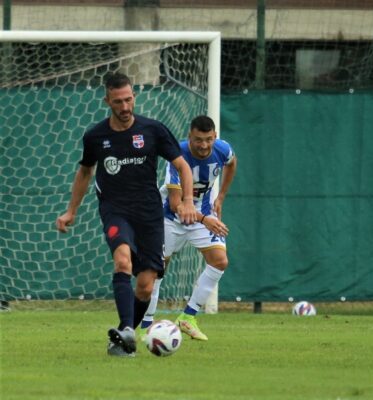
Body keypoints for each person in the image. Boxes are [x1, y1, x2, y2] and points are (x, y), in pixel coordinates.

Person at [56, 72, 197, 357]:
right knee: (121, 261)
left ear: (135, 97)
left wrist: (188, 201)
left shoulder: (153, 130)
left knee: (145, 287)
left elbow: (182, 165)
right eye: (118, 101)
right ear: (107, 101)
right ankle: (127, 328)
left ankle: (123, 339)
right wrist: (71, 211)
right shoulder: (95, 136)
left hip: (149, 215)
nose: (125, 107)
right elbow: (85, 172)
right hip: (115, 210)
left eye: (129, 99)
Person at [140, 115, 237, 341]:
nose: (204, 145)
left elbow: (232, 163)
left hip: (203, 216)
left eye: (208, 140)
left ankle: (188, 316)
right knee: (157, 271)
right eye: (198, 140)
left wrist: (221, 196)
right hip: (170, 219)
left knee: (219, 261)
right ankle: (146, 326)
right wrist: (206, 220)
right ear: (189, 137)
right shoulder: (177, 155)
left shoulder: (222, 150)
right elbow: (177, 205)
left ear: (215, 137)